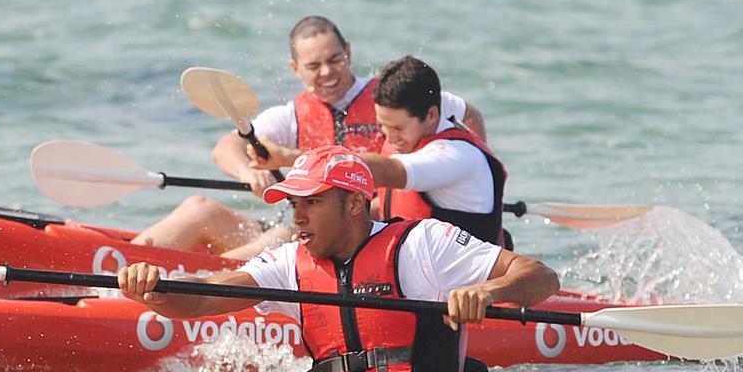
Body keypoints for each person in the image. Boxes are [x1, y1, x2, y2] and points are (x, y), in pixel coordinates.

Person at [114, 145, 558, 372]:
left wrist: (487, 292)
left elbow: (540, 276)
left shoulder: (423, 243)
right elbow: (201, 299)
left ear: (353, 203)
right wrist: (153, 291)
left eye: (312, 202)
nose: (297, 216)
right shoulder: (292, 261)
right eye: (293, 204)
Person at [131, 16, 486, 256]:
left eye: (335, 59)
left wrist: (474, 189)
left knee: (279, 239)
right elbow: (227, 146)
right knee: (199, 209)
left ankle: (187, 286)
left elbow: (468, 115)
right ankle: (121, 269)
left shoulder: (391, 99)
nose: (328, 73)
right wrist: (246, 171)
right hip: (301, 228)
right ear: (295, 69)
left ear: (349, 52)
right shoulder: (290, 115)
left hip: (363, 234)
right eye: (314, 66)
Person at [357, 55, 511, 248]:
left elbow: (391, 172)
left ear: (431, 116)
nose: (389, 137)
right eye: (382, 125)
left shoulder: (454, 156)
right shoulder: (428, 104)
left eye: (398, 128)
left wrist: (319, 164)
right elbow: (469, 112)